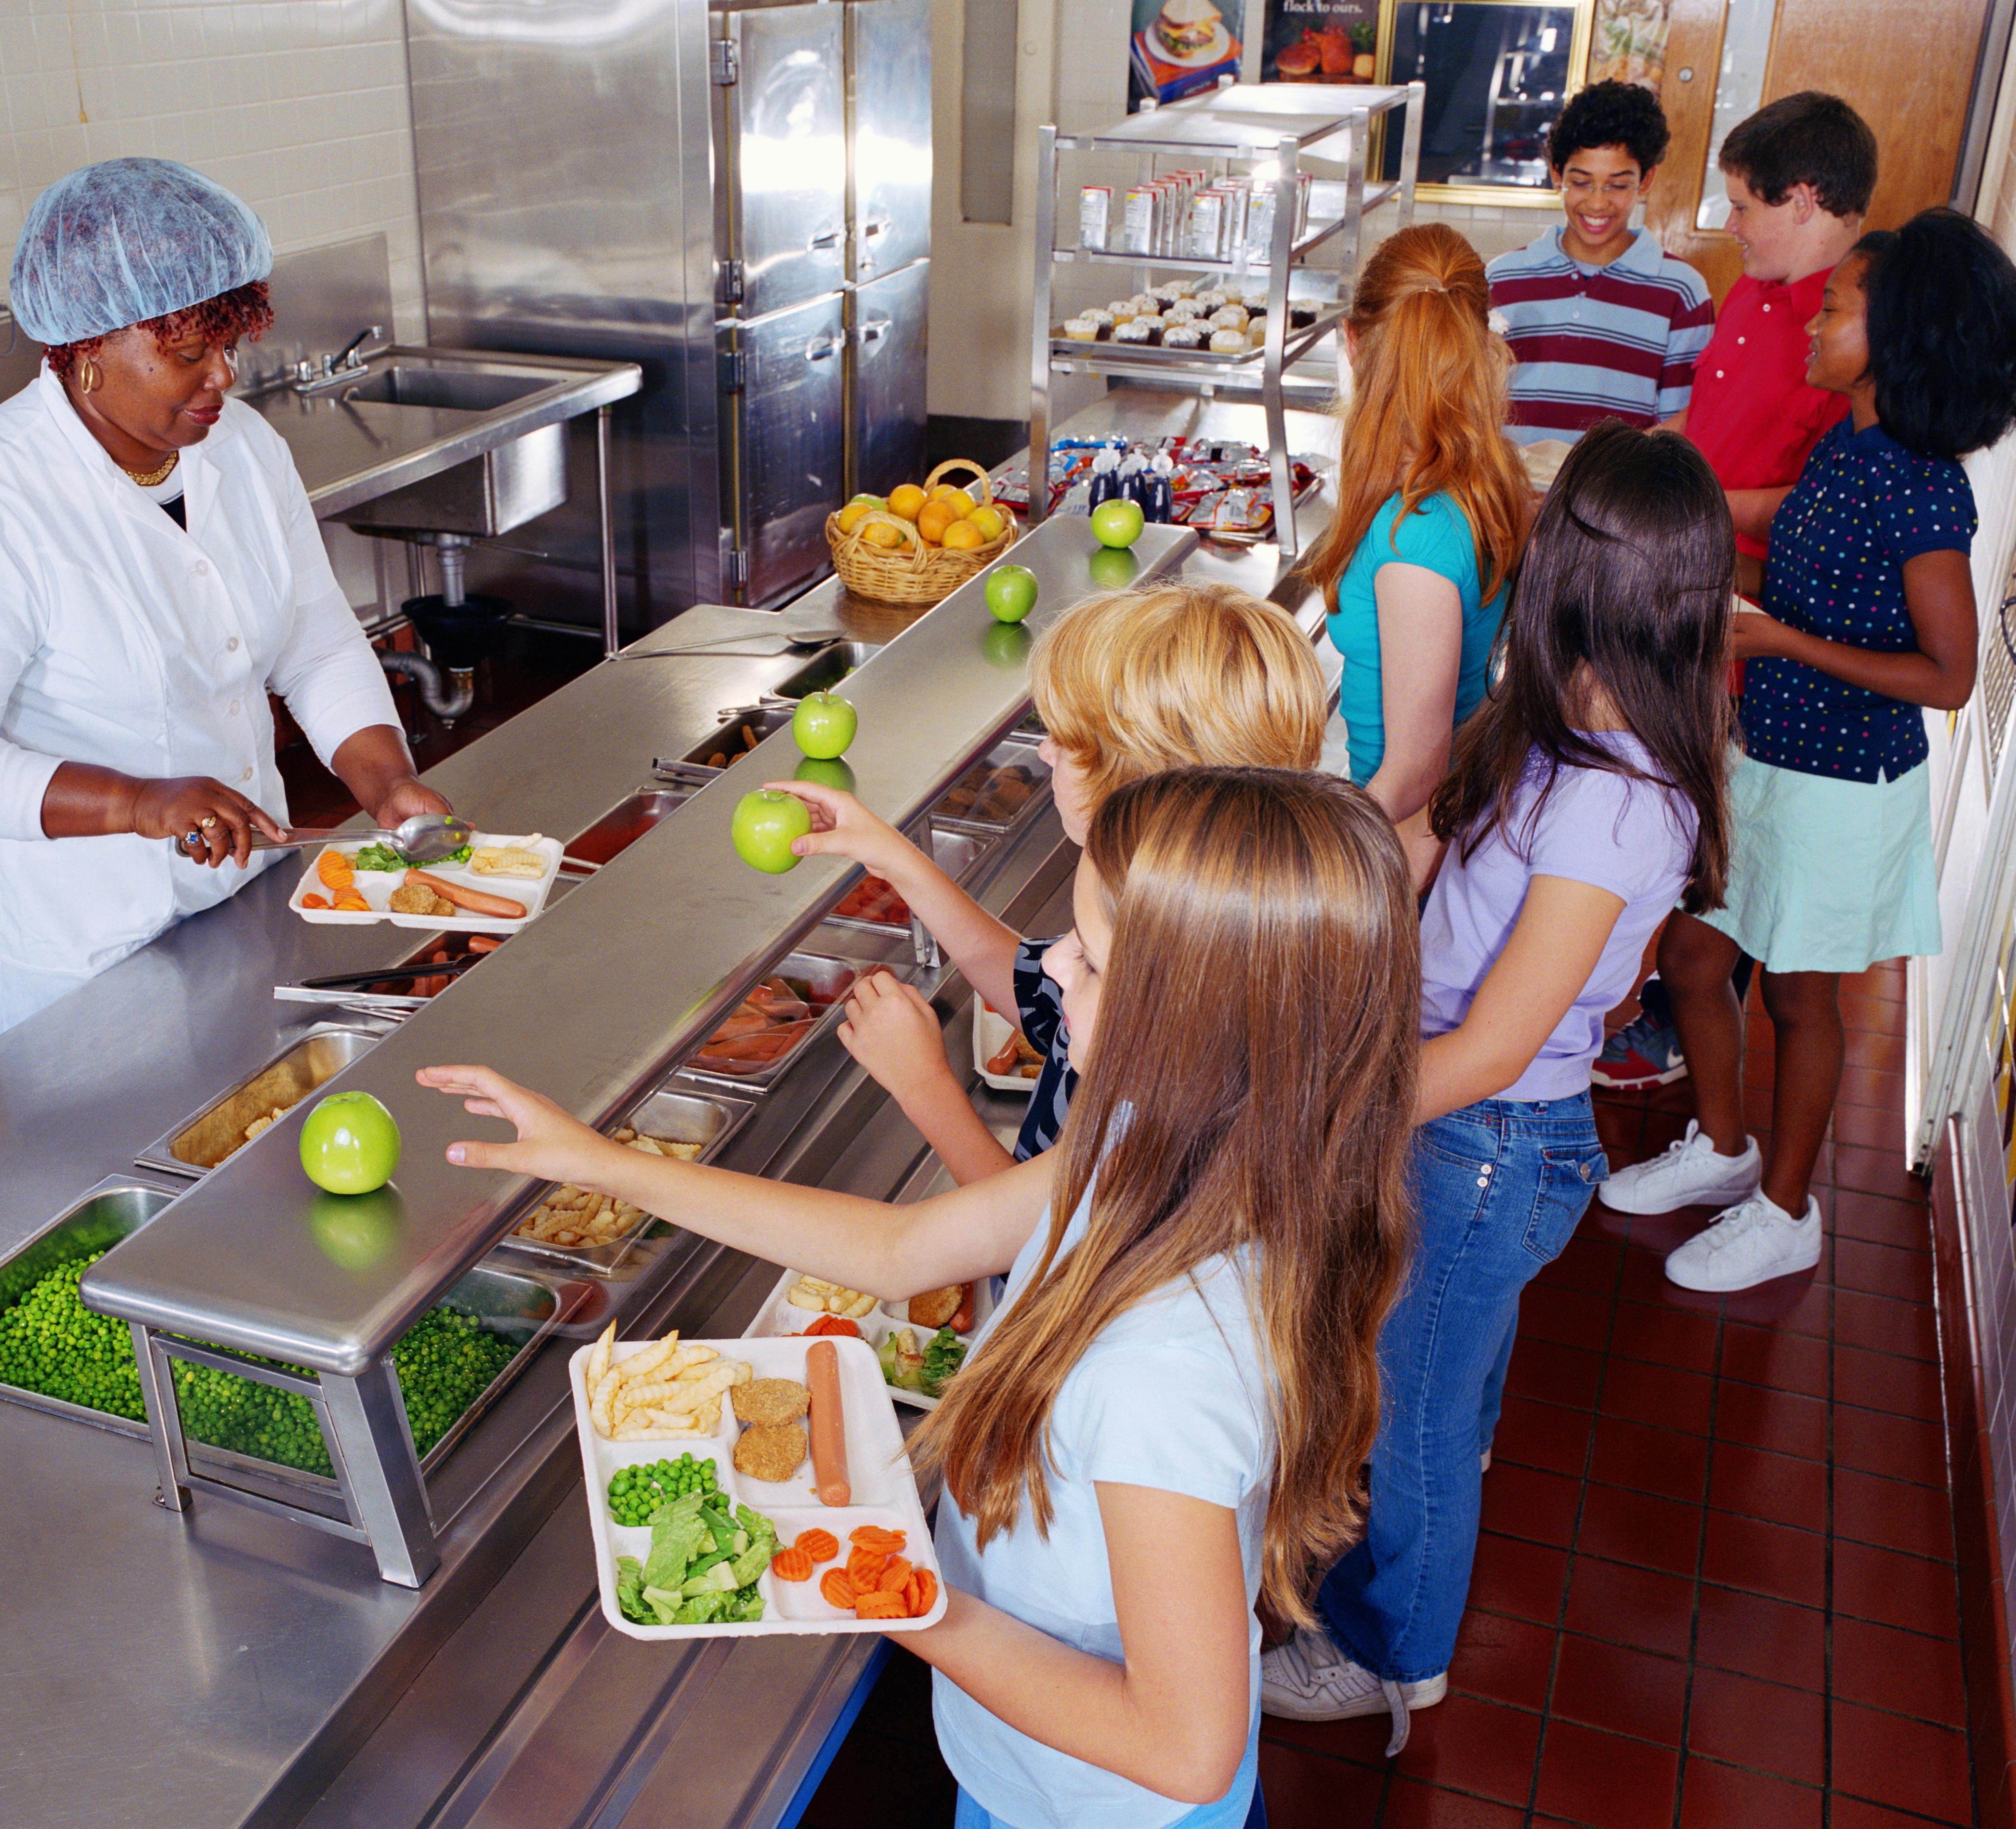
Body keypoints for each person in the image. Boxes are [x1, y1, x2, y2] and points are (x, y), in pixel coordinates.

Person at [421, 768, 1422, 1829]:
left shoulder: (1161, 1373)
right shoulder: (1153, 1147)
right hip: (1026, 1769)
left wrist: (903, 1595)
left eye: (1087, 955)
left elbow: (1185, 1748)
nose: (1055, 970)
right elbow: (901, 1249)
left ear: (1189, 1021)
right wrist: (602, 1162)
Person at [1262, 424, 1737, 1748]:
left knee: (1407, 1427)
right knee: (1439, 1407)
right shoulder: (1569, 720)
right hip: (1477, 1131)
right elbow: (1451, 860)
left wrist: (1314, 1102)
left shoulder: (1617, 796)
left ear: (1576, 577)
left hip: (1481, 1144)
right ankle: (1391, 1600)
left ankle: (1390, 1655)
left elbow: (1489, 1044)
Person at [0, 159, 445, 1060]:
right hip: (78, 943)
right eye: (186, 353)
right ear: (87, 346)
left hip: (240, 896)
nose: (223, 377)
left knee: (256, 1136)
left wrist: (384, 781)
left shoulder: (241, 449)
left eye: (229, 344)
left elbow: (314, 639)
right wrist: (134, 800)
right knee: (99, 1184)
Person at [1599, 209, 2016, 1293]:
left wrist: (1780, 637)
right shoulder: (1847, 444)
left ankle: (1788, 1210)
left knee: (1800, 999)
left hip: (1844, 785)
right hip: (1767, 754)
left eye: (1835, 310)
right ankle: (1726, 1151)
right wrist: (1698, 554)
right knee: (1695, 958)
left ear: (1902, 334)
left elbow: (1950, 676)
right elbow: (1796, 557)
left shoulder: (1924, 485)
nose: (1812, 327)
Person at [769, 583, 1325, 1187]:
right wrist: (896, 858)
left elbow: (1037, 1240)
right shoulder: (1183, 913)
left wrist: (923, 1084)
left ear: (1133, 777)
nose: (1044, 751)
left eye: (1068, 741)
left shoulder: (1181, 1045)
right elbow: (1040, 997)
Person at [1595, 91, 1878, 1092]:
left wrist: (1700, 497)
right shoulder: (1754, 295)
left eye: (1745, 205)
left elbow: (1826, 507)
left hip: (1760, 624)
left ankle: (1677, 1024)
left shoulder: (1850, 330)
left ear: (1802, 200)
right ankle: (1658, 995)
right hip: (1690, 587)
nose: (1732, 225)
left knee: (1732, 841)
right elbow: (1716, 433)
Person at [1304, 223, 1530, 821]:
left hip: (1402, 847)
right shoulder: (1478, 477)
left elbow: (1417, 770)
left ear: (1352, 343)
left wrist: (1327, 858)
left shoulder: (1414, 533)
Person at [1487, 80, 1714, 443]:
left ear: (1646, 180)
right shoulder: (1501, 279)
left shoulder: (1682, 291)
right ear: (1557, 174)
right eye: (1581, 182)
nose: (1597, 203)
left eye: (1618, 185)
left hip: (1610, 497)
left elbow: (1679, 429)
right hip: (1508, 491)